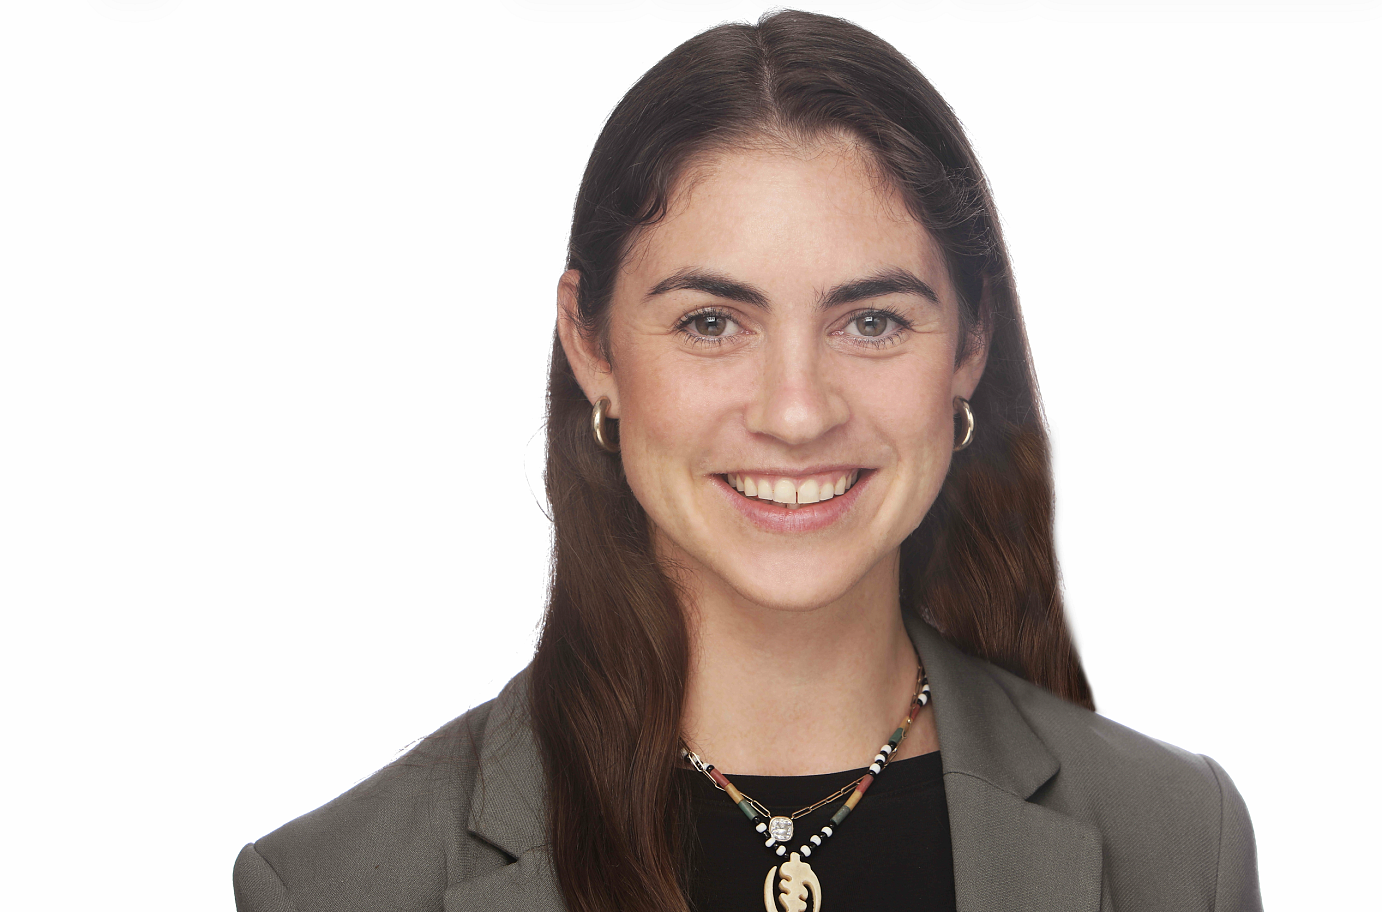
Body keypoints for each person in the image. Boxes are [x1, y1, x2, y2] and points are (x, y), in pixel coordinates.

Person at [233, 10, 1261, 912]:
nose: (795, 410)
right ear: (590, 348)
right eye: (712, 321)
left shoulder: (1177, 841)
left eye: (869, 319)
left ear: (968, 344)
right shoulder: (335, 885)